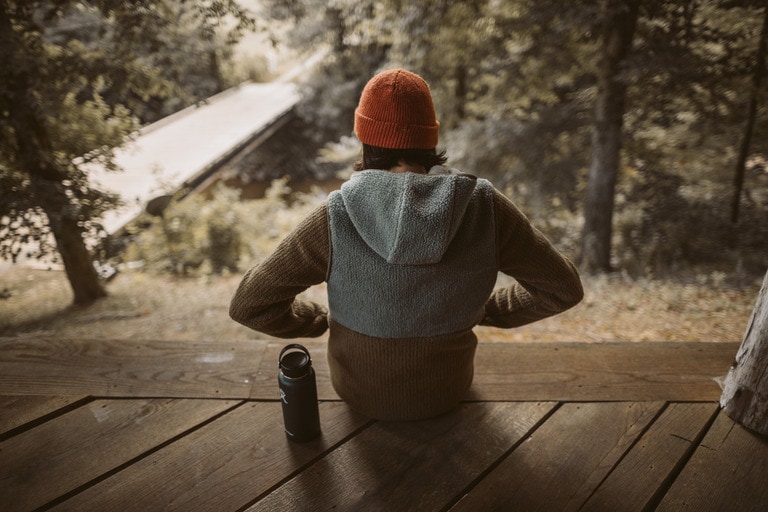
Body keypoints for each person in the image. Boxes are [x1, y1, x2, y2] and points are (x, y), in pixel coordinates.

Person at [230, 68, 583, 421]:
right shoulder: (485, 208)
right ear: (430, 138)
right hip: (448, 393)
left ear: (365, 138)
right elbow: (561, 289)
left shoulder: (335, 216)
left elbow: (251, 305)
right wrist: (482, 311)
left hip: (357, 395)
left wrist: (319, 322)